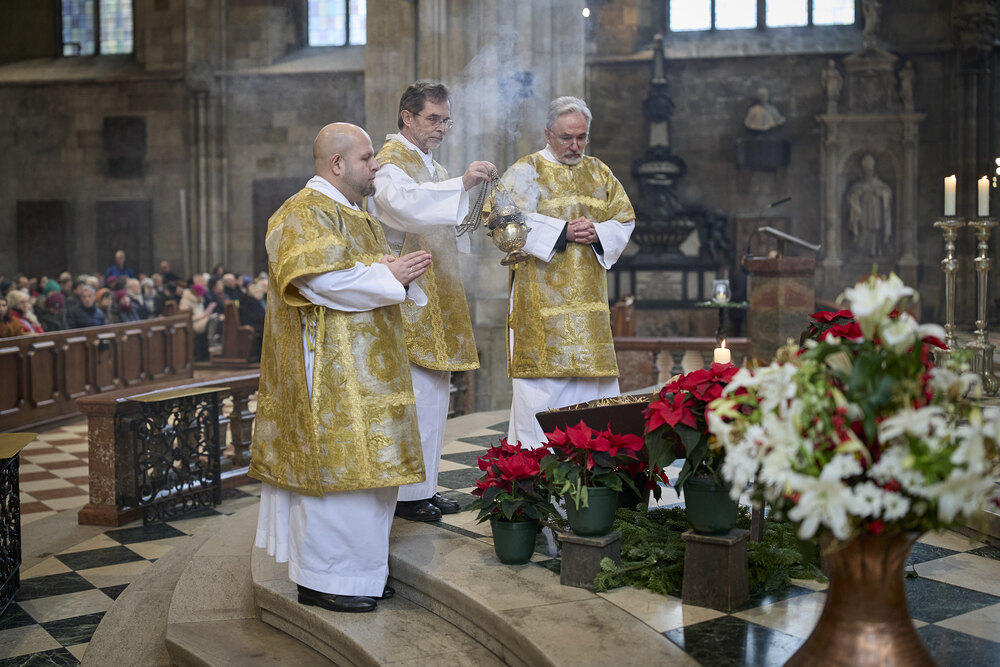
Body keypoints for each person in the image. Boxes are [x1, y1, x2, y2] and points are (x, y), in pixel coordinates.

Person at [249, 122, 432, 614]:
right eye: (368, 158)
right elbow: (319, 282)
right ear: (337, 163)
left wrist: (397, 276)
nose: (377, 165)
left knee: (374, 479)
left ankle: (361, 573)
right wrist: (388, 275)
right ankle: (323, 578)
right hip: (330, 373)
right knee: (339, 478)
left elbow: (368, 278)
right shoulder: (303, 212)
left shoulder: (358, 215)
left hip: (370, 370)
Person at [370, 81, 496, 522]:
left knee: (435, 396)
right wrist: (462, 183)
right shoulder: (389, 162)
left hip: (438, 291)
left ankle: (422, 488)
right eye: (433, 119)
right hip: (407, 295)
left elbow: (447, 223)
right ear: (407, 117)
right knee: (415, 396)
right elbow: (405, 208)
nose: (442, 127)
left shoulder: (434, 166)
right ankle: (404, 495)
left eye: (447, 120)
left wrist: (482, 208)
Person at [498, 96, 635, 449]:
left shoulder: (600, 172)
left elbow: (624, 219)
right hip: (541, 312)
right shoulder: (525, 170)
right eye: (566, 138)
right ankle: (536, 470)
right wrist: (561, 232)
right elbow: (500, 220)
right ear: (548, 134)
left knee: (593, 397)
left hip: (589, 312)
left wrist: (599, 233)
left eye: (581, 137)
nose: (575, 146)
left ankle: (595, 467)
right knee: (541, 396)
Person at [846, 153, 893, 257]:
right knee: (863, 229)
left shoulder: (879, 184)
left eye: (869, 169)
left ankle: (876, 251)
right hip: (864, 210)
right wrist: (858, 194)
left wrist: (881, 194)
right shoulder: (859, 185)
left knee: (876, 229)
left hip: (876, 210)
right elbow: (850, 196)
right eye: (866, 169)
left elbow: (888, 193)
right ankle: (861, 252)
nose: (868, 171)